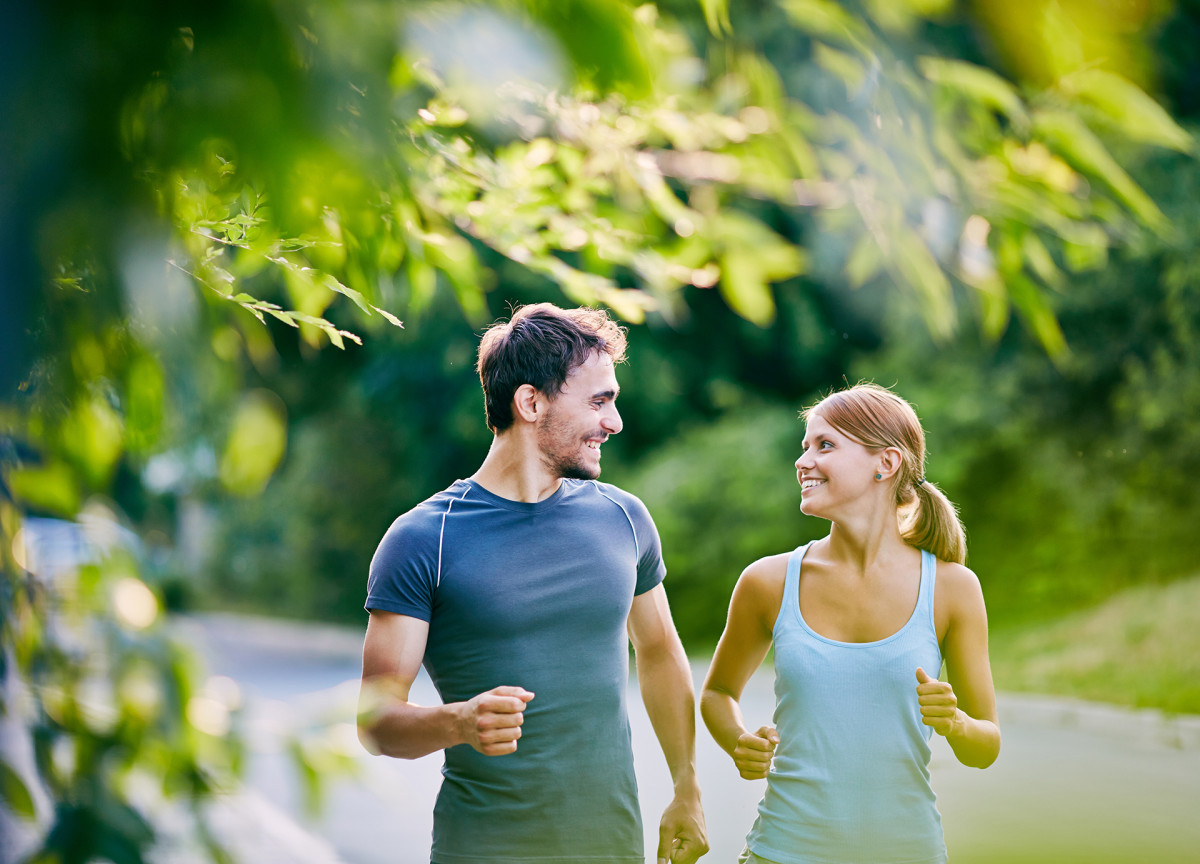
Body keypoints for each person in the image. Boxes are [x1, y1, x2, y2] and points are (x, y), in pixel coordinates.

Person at [357, 303, 707, 864]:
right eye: (599, 402)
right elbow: (375, 721)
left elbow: (661, 652)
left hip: (612, 845)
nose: (614, 423)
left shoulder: (624, 517)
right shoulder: (424, 538)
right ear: (530, 402)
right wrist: (460, 722)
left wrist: (687, 787)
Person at [700, 383, 1000, 864]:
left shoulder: (953, 588)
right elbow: (717, 693)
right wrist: (740, 742)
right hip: (780, 853)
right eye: (804, 447)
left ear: (886, 463)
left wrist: (956, 722)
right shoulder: (767, 581)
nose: (802, 462)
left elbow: (985, 745)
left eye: (825, 445)